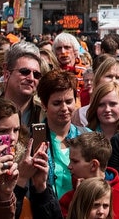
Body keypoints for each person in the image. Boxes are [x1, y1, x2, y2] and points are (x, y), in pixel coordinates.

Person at [38, 69, 89, 201]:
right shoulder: (35, 141)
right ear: (44, 104)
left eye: (68, 101)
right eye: (57, 103)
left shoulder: (87, 136)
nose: (64, 108)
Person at [59, 133, 119, 219]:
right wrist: (78, 200)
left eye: (75, 161)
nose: (69, 166)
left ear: (93, 165)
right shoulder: (69, 198)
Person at [0, 41, 45, 127]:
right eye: (25, 72)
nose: (31, 78)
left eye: (36, 75)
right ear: (6, 74)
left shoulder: (46, 110)